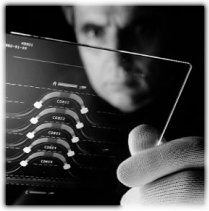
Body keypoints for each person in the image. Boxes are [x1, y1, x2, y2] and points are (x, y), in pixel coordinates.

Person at [62, 6, 204, 205]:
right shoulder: (52, 128)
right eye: (95, 31)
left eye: (141, 29)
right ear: (72, 22)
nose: (118, 61)